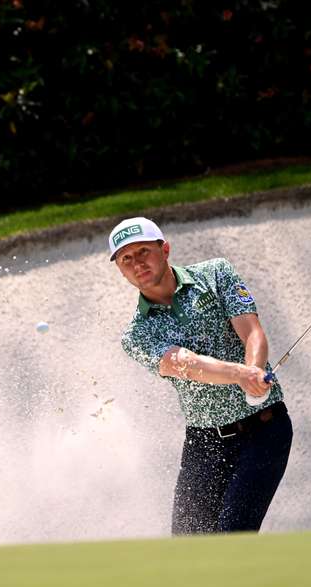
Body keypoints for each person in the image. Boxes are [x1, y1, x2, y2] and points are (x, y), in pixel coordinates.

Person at [111, 216, 293, 535]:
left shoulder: (215, 273)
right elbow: (185, 364)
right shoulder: (136, 334)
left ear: (164, 249)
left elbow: (251, 331)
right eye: (126, 259)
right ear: (120, 270)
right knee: (188, 544)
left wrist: (253, 372)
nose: (136, 263)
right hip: (205, 443)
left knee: (231, 534)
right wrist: (241, 374)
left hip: (264, 430)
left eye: (143, 251)